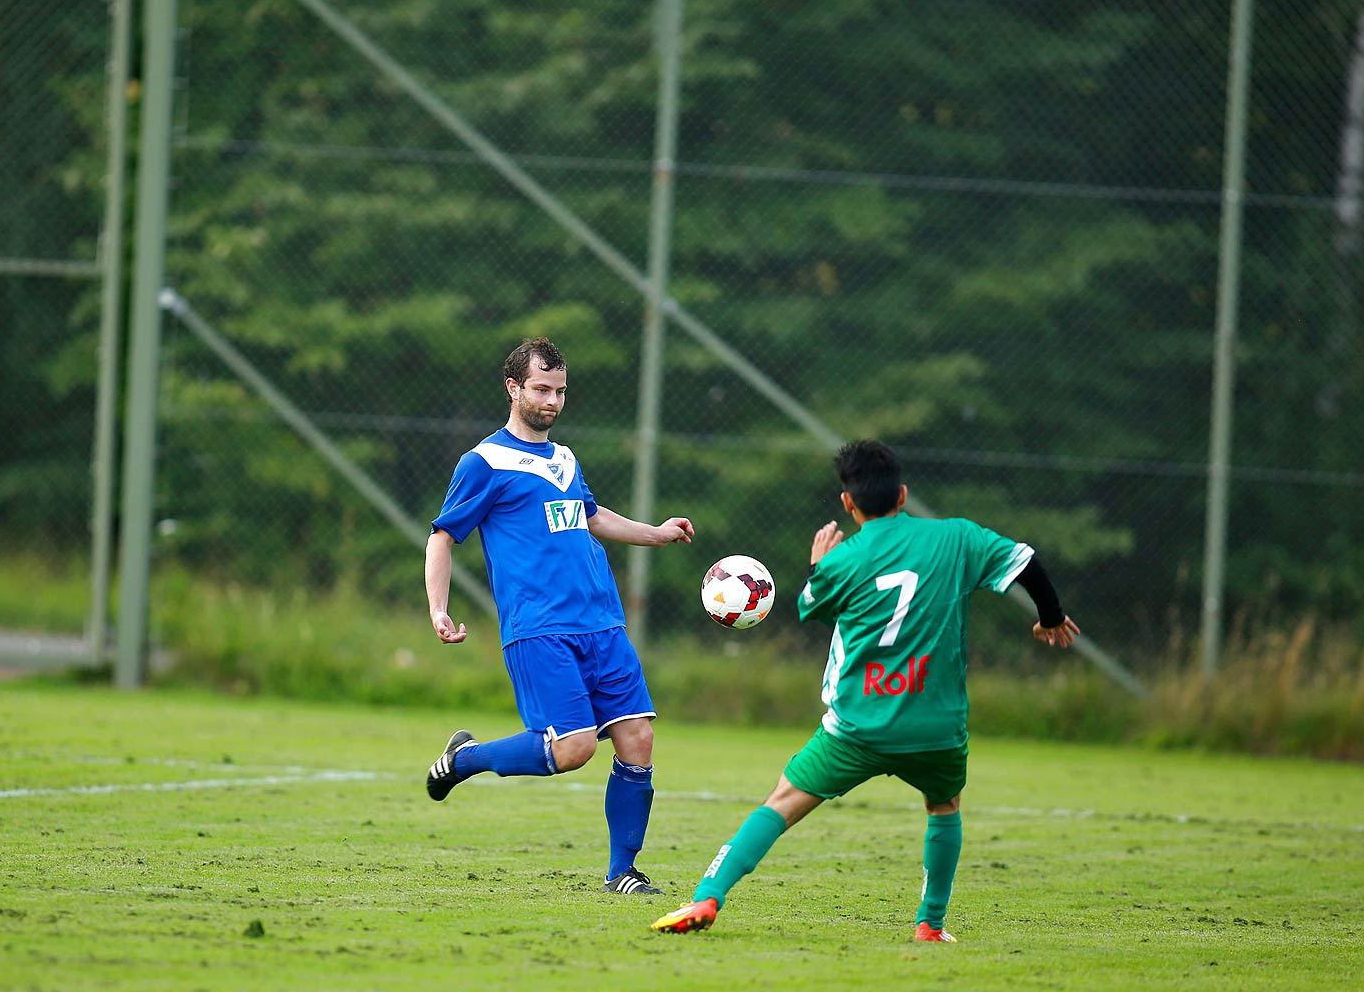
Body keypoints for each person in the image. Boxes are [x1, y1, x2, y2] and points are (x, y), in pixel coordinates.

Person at [651, 439, 1079, 940]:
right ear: (902, 495)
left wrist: (818, 566)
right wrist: (1050, 617)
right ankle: (930, 925)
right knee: (944, 807)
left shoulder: (843, 561)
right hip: (935, 726)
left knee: (782, 802)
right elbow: (1026, 562)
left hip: (857, 727)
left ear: (848, 504)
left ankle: (707, 897)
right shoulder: (958, 538)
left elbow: (812, 606)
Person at [424, 337, 695, 895]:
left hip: (602, 621)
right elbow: (442, 539)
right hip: (540, 628)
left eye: (560, 391)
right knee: (571, 749)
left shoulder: (565, 457)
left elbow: (591, 517)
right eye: (541, 389)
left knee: (638, 738)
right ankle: (466, 759)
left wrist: (656, 533)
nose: (551, 401)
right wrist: (438, 609)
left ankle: (623, 871)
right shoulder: (485, 463)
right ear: (513, 388)